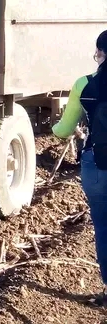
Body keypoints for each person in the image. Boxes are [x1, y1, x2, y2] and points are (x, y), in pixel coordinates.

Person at [52, 29, 107, 305]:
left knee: (103, 227)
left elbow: (63, 130)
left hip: (96, 166)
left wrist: (58, 128)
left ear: (99, 53)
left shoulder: (84, 84)